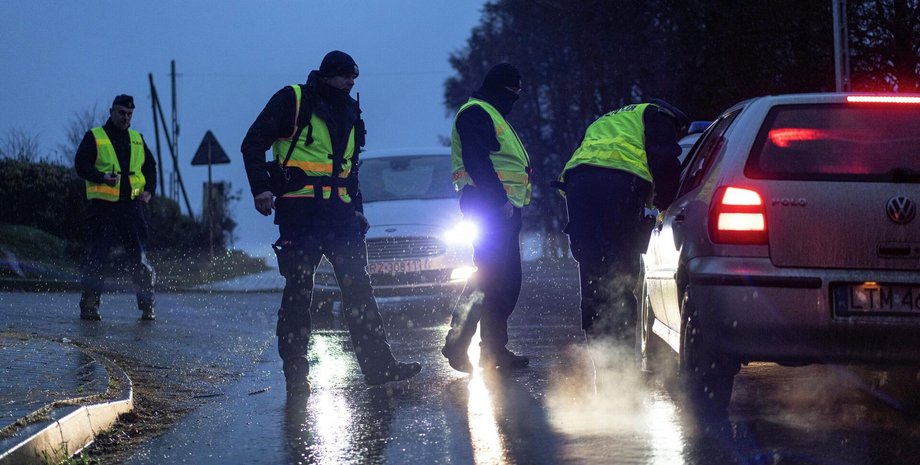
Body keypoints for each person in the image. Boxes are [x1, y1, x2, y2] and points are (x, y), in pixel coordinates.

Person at [240, 50, 421, 396]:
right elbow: (252, 144)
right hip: (300, 215)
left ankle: (380, 367)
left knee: (360, 292)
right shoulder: (293, 100)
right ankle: (296, 374)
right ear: (326, 76)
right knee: (299, 294)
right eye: (345, 77)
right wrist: (261, 188)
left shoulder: (351, 110)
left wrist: (357, 209)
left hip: (340, 217)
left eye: (354, 78)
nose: (351, 83)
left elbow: (350, 168)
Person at [558, 100, 687, 345]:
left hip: (578, 185)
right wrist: (665, 202)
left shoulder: (608, 119)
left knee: (592, 268)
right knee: (621, 267)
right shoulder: (659, 116)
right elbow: (665, 162)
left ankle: (600, 349)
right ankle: (623, 351)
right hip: (617, 184)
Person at [441, 63, 532, 373]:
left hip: (501, 207)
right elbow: (477, 161)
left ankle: (493, 350)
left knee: (503, 280)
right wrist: (499, 201)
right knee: (490, 278)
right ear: (499, 88)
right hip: (489, 205)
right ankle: (461, 344)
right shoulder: (476, 113)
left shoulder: (491, 113)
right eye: (512, 93)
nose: (515, 100)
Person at [74, 94, 158, 322]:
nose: (125, 117)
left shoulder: (137, 139)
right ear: (111, 111)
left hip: (131, 208)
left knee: (139, 259)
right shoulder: (95, 136)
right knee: (98, 257)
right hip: (103, 208)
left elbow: (150, 166)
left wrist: (150, 189)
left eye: (129, 114)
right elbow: (80, 164)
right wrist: (100, 177)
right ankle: (90, 305)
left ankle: (147, 306)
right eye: (121, 112)